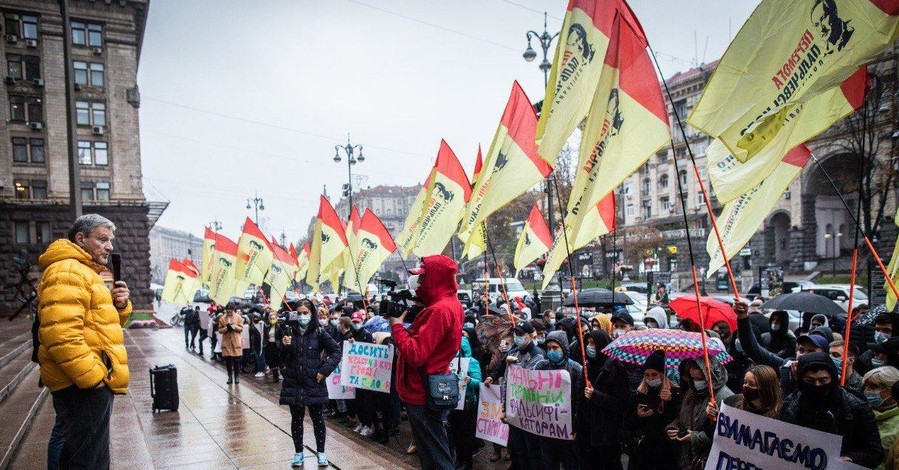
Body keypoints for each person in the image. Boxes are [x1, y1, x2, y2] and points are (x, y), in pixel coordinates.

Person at [37, 214, 132, 469]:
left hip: (84, 383)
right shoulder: (68, 270)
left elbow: (99, 325)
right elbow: (61, 334)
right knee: (88, 462)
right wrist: (94, 380)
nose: (109, 246)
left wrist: (120, 306)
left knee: (87, 457)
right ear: (81, 238)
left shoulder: (83, 271)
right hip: (82, 385)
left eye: (110, 240)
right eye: (102, 239)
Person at [390, 255, 464, 470]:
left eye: (423, 279)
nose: (419, 284)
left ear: (436, 279)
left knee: (436, 457)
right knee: (433, 453)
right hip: (430, 388)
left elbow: (416, 354)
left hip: (421, 393)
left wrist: (397, 327)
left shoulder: (438, 311)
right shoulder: (450, 305)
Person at [780, 352, 884, 467]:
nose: (817, 385)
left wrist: (851, 459)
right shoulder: (791, 403)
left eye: (823, 380)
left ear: (833, 378)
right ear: (800, 380)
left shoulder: (856, 407)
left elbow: (875, 453)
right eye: (810, 381)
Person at [279, 299, 340, 467]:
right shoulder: (289, 331)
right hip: (294, 382)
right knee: (296, 420)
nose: (302, 316)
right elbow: (283, 359)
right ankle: (298, 453)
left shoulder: (319, 332)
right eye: (299, 313)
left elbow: (336, 351)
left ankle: (321, 452)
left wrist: (324, 371)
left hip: (314, 382)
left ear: (311, 313)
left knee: (318, 419)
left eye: (305, 313)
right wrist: (284, 347)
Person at [573, 329, 629, 469]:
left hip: (606, 436)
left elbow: (621, 403)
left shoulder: (615, 368)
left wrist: (596, 396)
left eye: (593, 343)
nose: (590, 346)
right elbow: (579, 401)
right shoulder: (586, 367)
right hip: (586, 434)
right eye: (588, 343)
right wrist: (577, 426)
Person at [666, 356, 734, 469]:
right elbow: (683, 417)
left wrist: (695, 437)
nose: (696, 383)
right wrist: (674, 427)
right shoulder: (691, 392)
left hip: (710, 460)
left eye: (700, 379)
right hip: (688, 458)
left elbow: (726, 434)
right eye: (693, 379)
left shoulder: (725, 397)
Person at [628, 350, 681, 470]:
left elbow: (677, 419)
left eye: (654, 375)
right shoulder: (640, 394)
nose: (650, 378)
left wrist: (669, 402)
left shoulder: (674, 393)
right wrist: (638, 416)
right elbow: (629, 424)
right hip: (643, 452)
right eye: (647, 375)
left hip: (665, 453)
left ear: (662, 374)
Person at [448, 335, 481, 470]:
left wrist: (470, 381)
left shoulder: (472, 362)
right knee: (455, 433)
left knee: (466, 435)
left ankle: (466, 462)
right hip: (452, 402)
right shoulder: (449, 361)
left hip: (467, 404)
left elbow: (479, 382)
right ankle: (459, 459)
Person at [862, 366, 899, 470]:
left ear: (891, 389)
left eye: (873, 386)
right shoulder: (862, 412)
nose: (867, 390)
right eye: (866, 386)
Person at [218, 303, 244, 384]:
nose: (229, 313)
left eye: (231, 312)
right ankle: (229, 377)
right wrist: (226, 328)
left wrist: (234, 327)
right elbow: (219, 330)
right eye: (228, 312)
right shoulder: (222, 318)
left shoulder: (238, 317)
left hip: (235, 340)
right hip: (226, 341)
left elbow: (241, 328)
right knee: (228, 361)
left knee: (236, 360)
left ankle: (236, 376)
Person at [263, 311, 284, 383]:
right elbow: (265, 337)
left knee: (280, 361)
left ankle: (284, 375)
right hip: (269, 345)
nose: (272, 320)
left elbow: (282, 336)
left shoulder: (279, 327)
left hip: (277, 346)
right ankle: (276, 376)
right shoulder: (267, 327)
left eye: (274, 318)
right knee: (272, 362)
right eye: (271, 318)